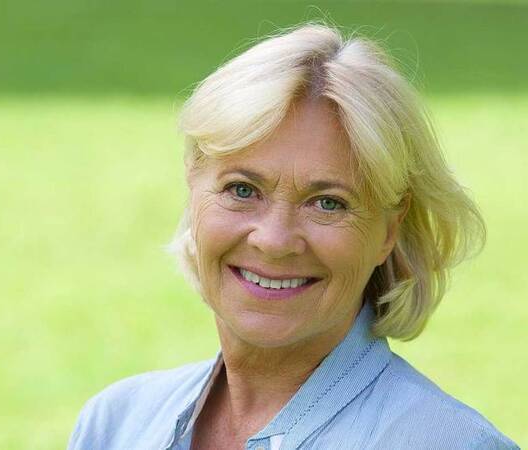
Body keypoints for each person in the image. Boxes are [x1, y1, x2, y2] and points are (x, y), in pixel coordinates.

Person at [67, 24, 519, 449]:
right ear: (193, 187)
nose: (274, 239)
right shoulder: (115, 424)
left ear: (389, 230)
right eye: (242, 190)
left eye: (328, 203)